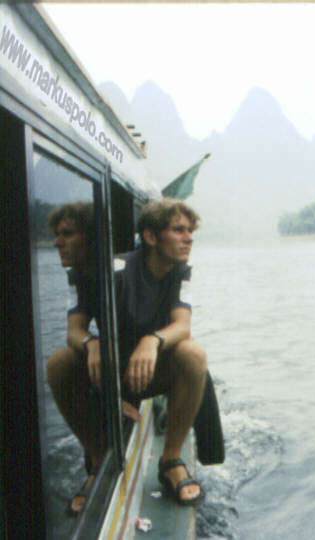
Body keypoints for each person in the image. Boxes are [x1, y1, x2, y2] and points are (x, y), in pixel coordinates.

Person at [114, 198, 207, 506]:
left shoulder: (182, 272)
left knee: (192, 354)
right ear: (151, 237)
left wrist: (151, 340)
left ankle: (170, 461)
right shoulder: (119, 271)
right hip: (112, 376)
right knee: (61, 363)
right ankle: (96, 461)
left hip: (151, 371)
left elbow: (183, 326)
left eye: (190, 230)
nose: (189, 237)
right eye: (179, 230)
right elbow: (90, 332)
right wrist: (110, 395)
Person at [45, 202, 106, 517]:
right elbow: (74, 331)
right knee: (59, 362)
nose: (57, 242)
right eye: (57, 235)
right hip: (108, 356)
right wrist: (91, 343)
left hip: (142, 356)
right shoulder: (78, 276)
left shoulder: (120, 269)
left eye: (67, 234)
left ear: (91, 237)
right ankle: (98, 460)